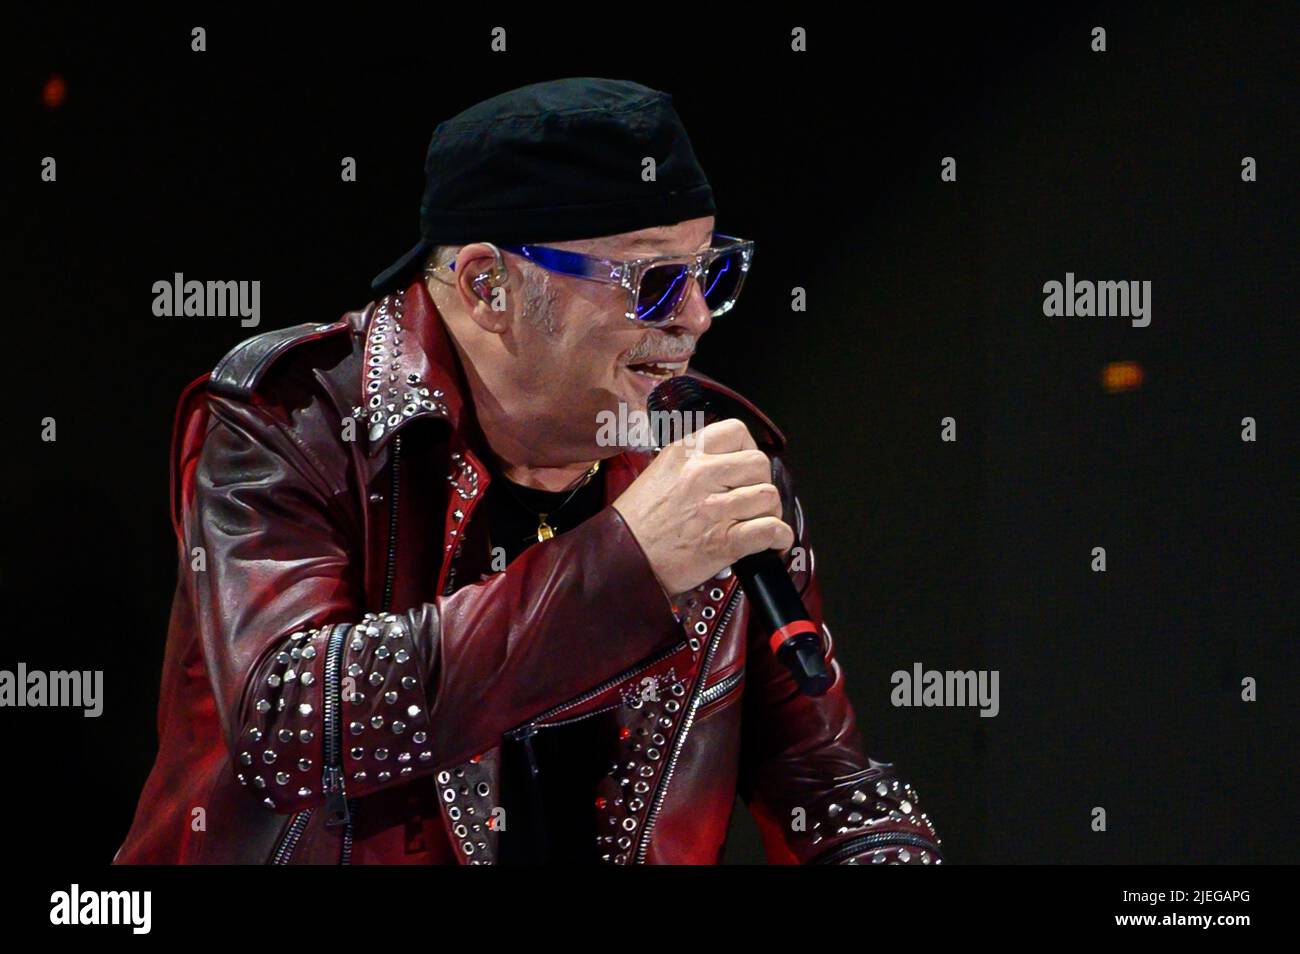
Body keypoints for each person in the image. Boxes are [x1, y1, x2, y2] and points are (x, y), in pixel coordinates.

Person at [115, 77, 942, 865]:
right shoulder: (293, 421)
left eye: (712, 272)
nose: (694, 318)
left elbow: (825, 781)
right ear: (487, 284)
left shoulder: (708, 445)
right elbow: (292, 728)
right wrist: (625, 565)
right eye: (653, 282)